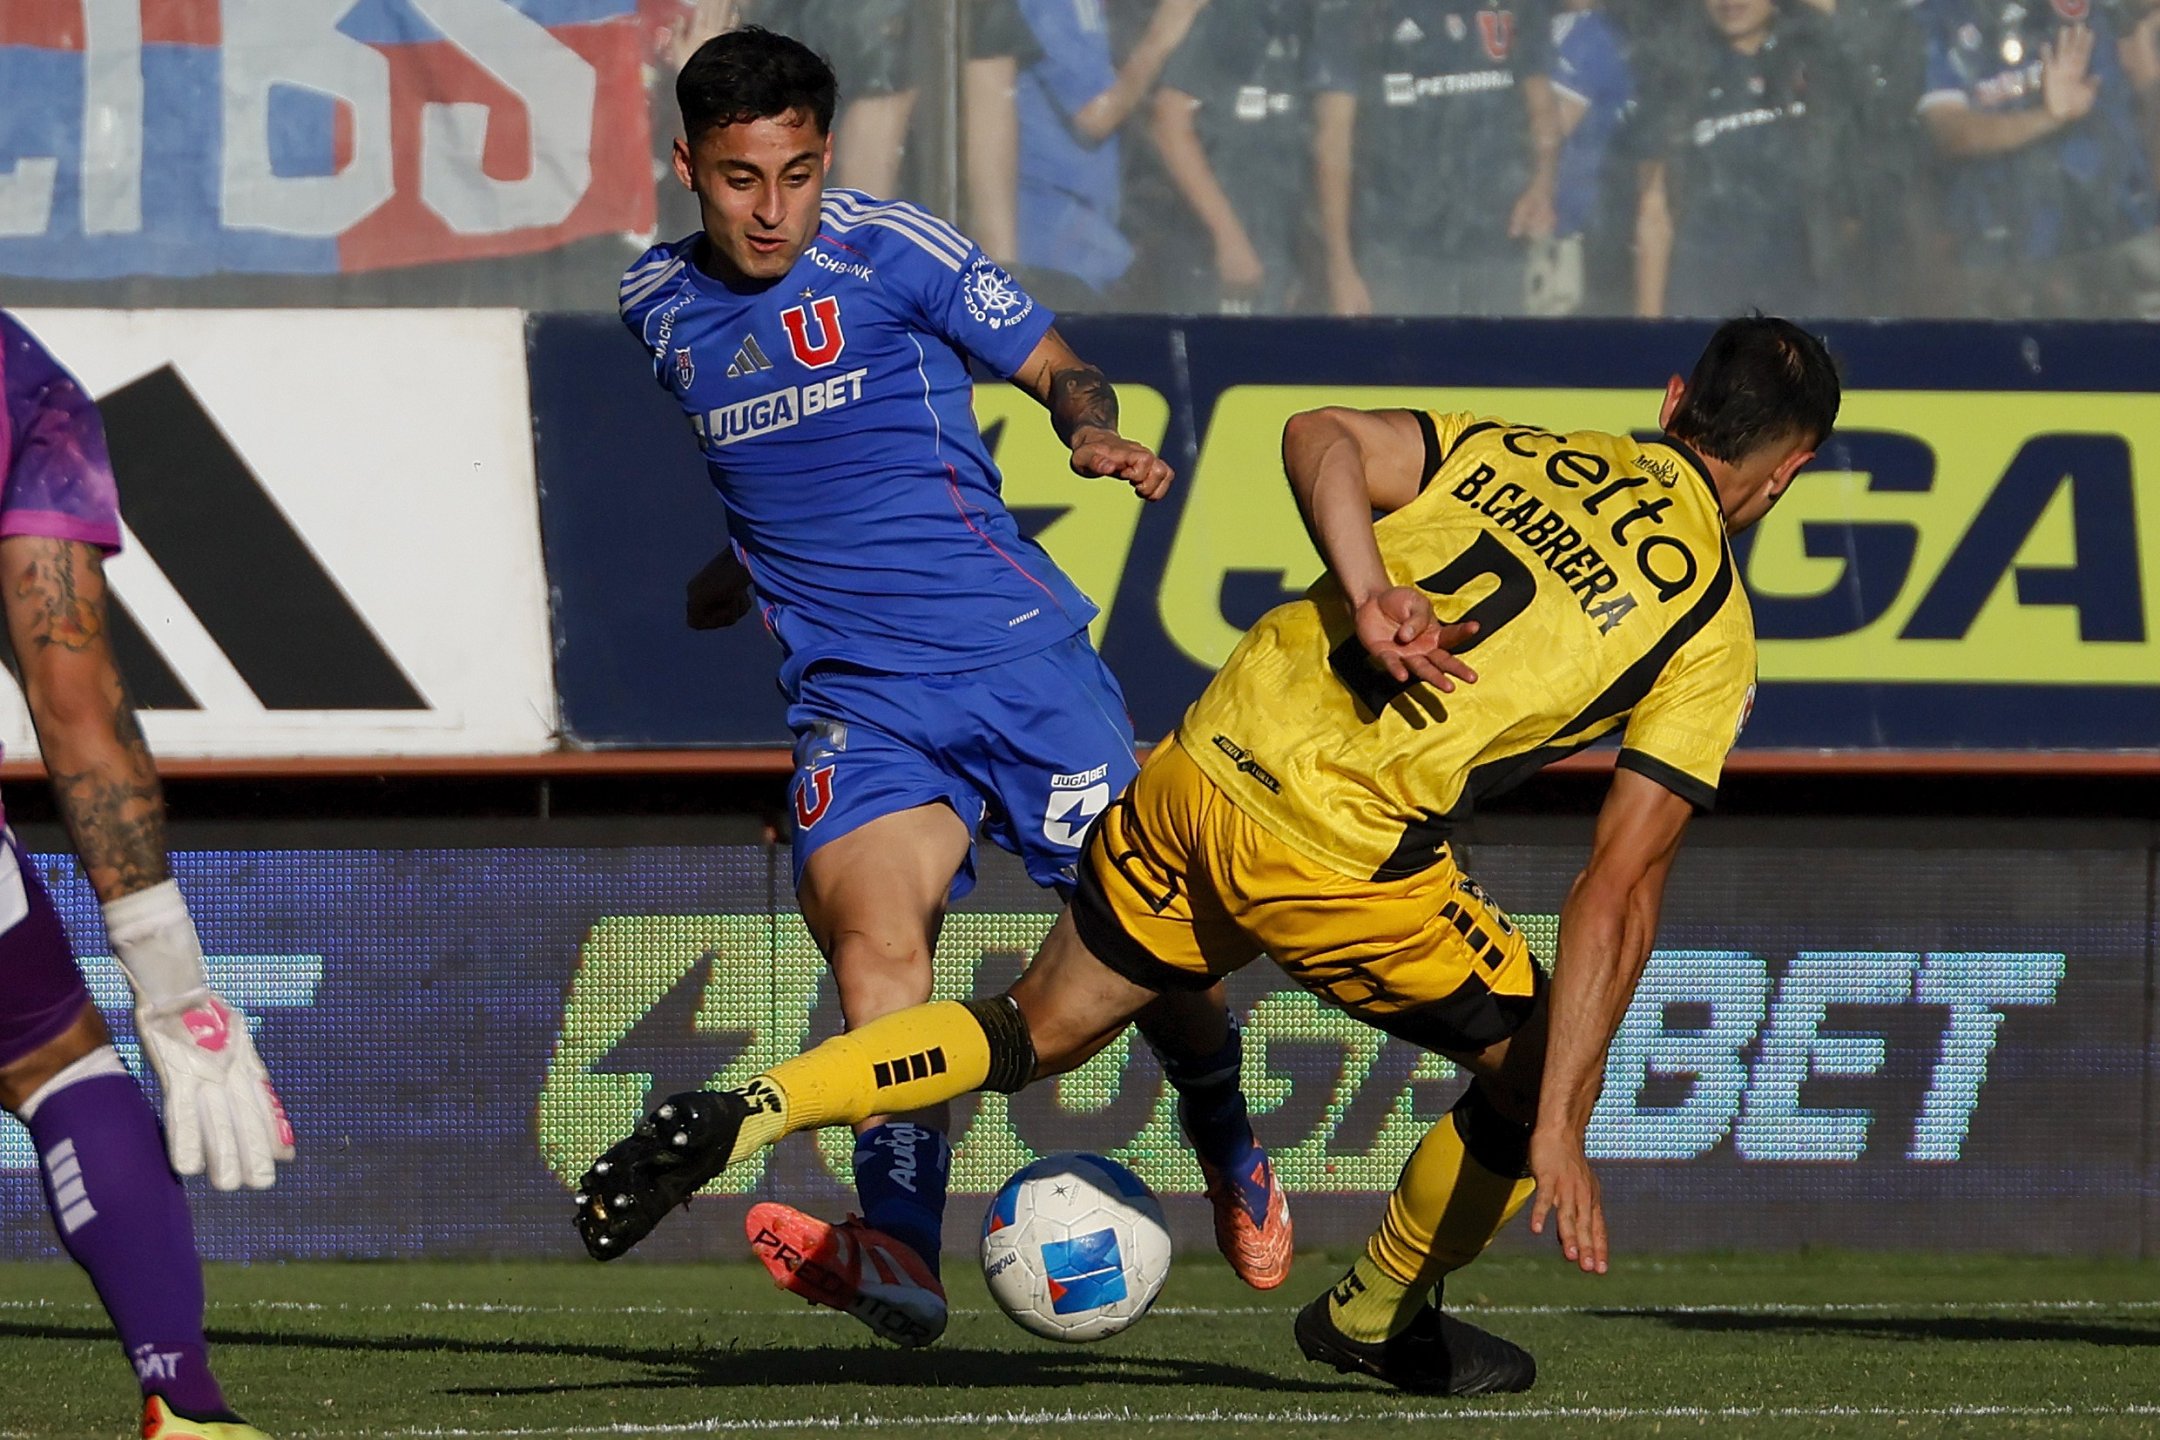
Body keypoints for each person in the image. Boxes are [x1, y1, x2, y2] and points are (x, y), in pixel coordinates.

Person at [578, 314, 1840, 1394]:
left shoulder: (1519, 446)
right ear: (1786, 475)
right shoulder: (1710, 625)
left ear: (1671, 400)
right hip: (1339, 854)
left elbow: (1317, 432)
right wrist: (1563, 1113)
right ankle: (1375, 1313)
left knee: (1027, 1029)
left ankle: (755, 1108)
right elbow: (1618, 886)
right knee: (1539, 1059)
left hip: (1198, 763)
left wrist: (1365, 587)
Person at [600, 27, 1287, 1348]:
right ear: (686, 166)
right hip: (861, 704)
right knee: (876, 951)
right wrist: (738, 567)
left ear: (826, 156)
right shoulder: (656, 305)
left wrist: (1089, 428)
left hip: (1018, 666)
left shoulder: (892, 248)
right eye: (742, 179)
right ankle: (903, 1251)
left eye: (799, 174)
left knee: (1148, 938)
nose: (773, 209)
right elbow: (788, 465)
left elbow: (1057, 363)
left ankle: (1225, 1134)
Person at [0, 313, 294, 1438]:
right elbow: (73, 704)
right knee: (58, 1068)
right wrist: (173, 986)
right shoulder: (19, 377)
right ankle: (185, 1404)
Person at [1311, 0, 1562, 317]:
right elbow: (1333, 138)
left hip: (1497, 238)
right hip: (1398, 247)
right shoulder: (1355, 10)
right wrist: (1340, 266)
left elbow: (1541, 102)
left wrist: (1542, 183)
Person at [1915, 4, 2160, 318]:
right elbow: (1948, 131)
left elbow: (2143, 60)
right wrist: (2048, 117)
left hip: (2121, 229)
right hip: (2009, 253)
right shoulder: (1943, 18)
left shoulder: (2102, 12)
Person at [1634, 0, 1853, 318]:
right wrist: (1649, 327)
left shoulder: (1819, 65)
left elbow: (1851, 199)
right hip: (1705, 306)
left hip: (1806, 304)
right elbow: (1653, 213)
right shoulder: (1677, 80)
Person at [1150, 0, 1322, 314]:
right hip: (1216, 254)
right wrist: (1228, 238)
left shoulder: (1302, 19)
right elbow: (1170, 122)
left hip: (1275, 248)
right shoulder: (1224, 16)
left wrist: (1296, 259)